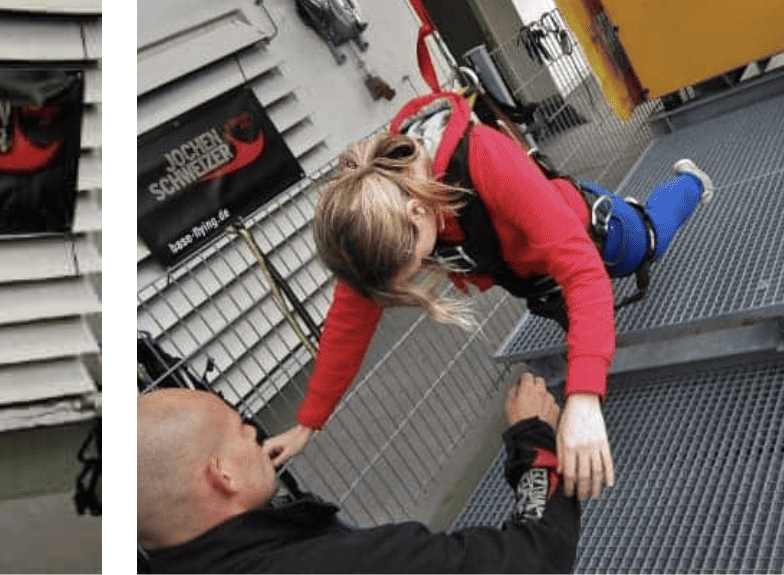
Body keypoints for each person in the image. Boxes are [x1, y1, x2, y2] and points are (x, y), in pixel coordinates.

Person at [261, 91, 714, 501]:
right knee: (582, 334)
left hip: (587, 232)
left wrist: (583, 397)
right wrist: (308, 423)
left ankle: (690, 182)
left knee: (647, 242)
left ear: (419, 212)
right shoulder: (376, 219)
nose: (420, 271)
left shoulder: (483, 158)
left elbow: (582, 271)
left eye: (417, 263)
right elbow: (349, 320)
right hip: (532, 272)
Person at [138, 373, 581, 573]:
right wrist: (533, 439)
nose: (255, 432)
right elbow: (534, 558)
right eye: (240, 430)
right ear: (224, 476)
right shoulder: (354, 564)